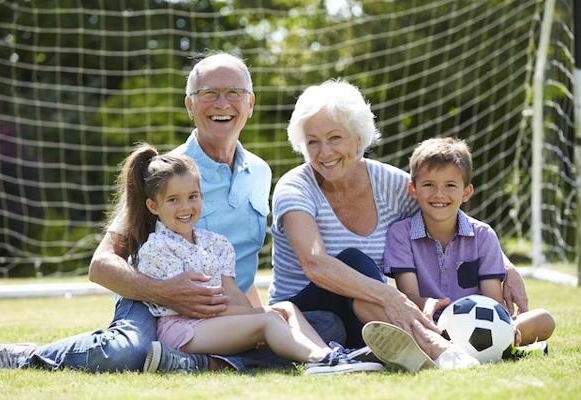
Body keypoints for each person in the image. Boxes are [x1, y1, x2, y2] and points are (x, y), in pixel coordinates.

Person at [0, 52, 344, 372]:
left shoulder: (261, 173)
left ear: (250, 103)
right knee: (126, 353)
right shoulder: (166, 175)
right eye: (209, 94)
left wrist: (251, 314)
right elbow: (101, 264)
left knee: (325, 325)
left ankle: (199, 362)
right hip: (155, 304)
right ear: (189, 105)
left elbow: (237, 266)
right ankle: (23, 357)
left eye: (234, 93)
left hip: (221, 309)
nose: (223, 103)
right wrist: (164, 292)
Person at [266, 79, 530, 372]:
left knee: (363, 295)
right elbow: (314, 263)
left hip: (363, 314)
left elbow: (448, 215)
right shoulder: (295, 187)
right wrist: (391, 295)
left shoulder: (390, 184)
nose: (324, 152)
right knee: (354, 260)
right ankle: (440, 349)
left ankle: (396, 350)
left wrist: (506, 265)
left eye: (335, 138)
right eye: (312, 141)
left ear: (358, 137)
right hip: (305, 316)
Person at [122, 145, 381, 375]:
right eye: (173, 200)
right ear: (154, 206)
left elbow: (232, 293)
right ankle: (322, 359)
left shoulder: (215, 242)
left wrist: (250, 316)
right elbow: (199, 308)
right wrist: (254, 318)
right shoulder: (156, 249)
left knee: (286, 309)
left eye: (193, 196)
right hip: (183, 329)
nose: (186, 207)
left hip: (215, 323)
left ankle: (326, 357)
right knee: (270, 320)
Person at [382, 137, 555, 356]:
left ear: (466, 192)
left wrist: (501, 326)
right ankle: (484, 350)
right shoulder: (401, 234)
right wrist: (429, 305)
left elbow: (493, 300)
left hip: (481, 325)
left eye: (450, 185)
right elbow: (409, 295)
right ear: (413, 189)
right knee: (392, 323)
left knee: (543, 320)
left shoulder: (483, 235)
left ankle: (484, 345)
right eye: (428, 185)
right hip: (431, 325)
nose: (439, 194)